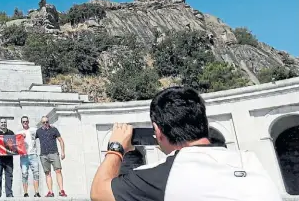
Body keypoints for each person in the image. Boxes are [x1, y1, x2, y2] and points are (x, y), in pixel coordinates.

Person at [90, 86, 282, 201]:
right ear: (204, 123)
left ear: (157, 131)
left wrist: (116, 148)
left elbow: (99, 192)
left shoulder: (163, 175)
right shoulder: (250, 161)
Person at [36, 116, 67, 197]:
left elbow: (61, 140)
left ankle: (61, 190)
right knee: (47, 173)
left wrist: (63, 152)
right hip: (43, 155)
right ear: (41, 123)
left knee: (58, 171)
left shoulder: (54, 129)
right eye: (44, 122)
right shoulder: (38, 131)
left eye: (47, 122)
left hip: (54, 153)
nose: (45, 123)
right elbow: (30, 138)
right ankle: (50, 192)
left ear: (49, 122)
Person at [18, 116, 41, 197]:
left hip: (33, 154)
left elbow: (42, 131)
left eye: (26, 121)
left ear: (28, 122)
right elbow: (15, 145)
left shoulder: (34, 130)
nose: (25, 123)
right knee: (24, 174)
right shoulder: (19, 133)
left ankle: (37, 192)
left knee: (36, 173)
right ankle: (25, 193)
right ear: (21, 123)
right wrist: (21, 138)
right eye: (23, 121)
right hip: (23, 156)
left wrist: (50, 126)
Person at [0, 118, 14, 197]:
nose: (3, 123)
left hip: (8, 158)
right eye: (2, 122)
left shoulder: (11, 133)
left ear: (6, 123)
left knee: (9, 175)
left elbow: (14, 145)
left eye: (5, 122)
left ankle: (9, 193)